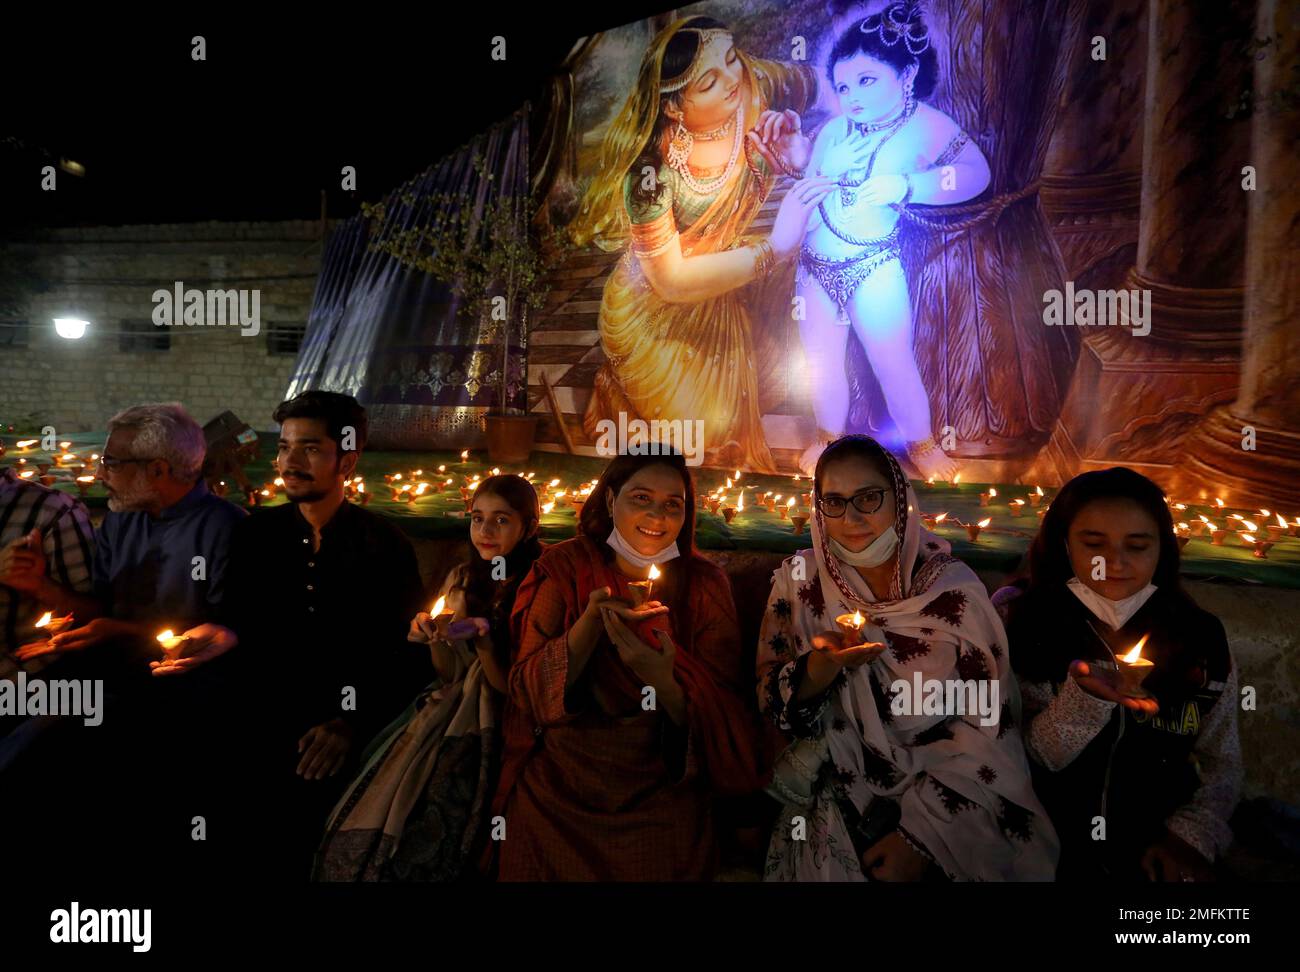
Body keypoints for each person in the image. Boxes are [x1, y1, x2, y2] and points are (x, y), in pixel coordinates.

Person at [757, 434, 1058, 881]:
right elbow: (768, 706)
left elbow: (989, 728)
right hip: (833, 803)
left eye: (868, 498)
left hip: (946, 802)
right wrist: (820, 669)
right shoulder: (799, 583)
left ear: (900, 499)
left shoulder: (953, 594)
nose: (851, 518)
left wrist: (920, 836)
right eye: (834, 502)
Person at [569, 14, 832, 473]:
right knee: (704, 433)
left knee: (779, 358)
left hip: (727, 278)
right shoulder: (650, 175)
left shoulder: (751, 85)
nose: (731, 79)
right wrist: (773, 249)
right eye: (708, 82)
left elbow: (820, 84)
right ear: (674, 107)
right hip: (655, 308)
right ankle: (619, 389)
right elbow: (670, 281)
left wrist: (801, 156)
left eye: (731, 59)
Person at [491, 450, 763, 880]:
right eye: (641, 498)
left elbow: (723, 713)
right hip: (561, 786)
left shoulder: (704, 586)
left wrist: (663, 682)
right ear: (610, 499)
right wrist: (587, 627)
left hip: (661, 787)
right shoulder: (564, 568)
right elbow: (526, 695)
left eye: (673, 504)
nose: (657, 515)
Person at [2, 403, 246, 876]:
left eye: (111, 462)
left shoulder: (226, 529)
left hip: (178, 687)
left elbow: (222, 637)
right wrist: (40, 588)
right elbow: (100, 610)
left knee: (51, 729)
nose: (100, 474)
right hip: (108, 667)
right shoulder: (122, 519)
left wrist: (119, 632)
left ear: (158, 469)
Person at [220, 391, 430, 880]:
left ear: (347, 460)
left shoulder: (384, 546)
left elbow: (406, 654)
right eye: (284, 447)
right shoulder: (254, 536)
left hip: (347, 736)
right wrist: (215, 637)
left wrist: (350, 723)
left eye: (310, 448)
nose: (290, 462)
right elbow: (238, 628)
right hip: (257, 729)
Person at [996, 467, 1242, 881]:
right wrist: (1084, 702)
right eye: (1094, 544)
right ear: (1064, 544)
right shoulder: (1018, 620)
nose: (1115, 563)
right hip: (1039, 844)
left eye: (1138, 545)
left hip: (1151, 849)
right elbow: (1017, 756)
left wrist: (1191, 836)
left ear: (1162, 549)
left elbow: (1225, 762)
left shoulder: (1200, 638)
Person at [794, 3, 991, 480]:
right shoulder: (834, 131)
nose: (852, 97)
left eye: (866, 80)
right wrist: (819, 168)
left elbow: (976, 173)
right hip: (815, 264)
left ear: (906, 75)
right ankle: (826, 439)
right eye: (843, 87)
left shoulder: (927, 125)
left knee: (893, 362)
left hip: (874, 263)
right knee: (821, 362)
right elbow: (808, 199)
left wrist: (905, 185)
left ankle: (922, 445)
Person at [315, 474, 542, 881]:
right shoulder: (462, 579)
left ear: (529, 527)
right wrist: (435, 637)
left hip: (504, 713)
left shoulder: (535, 584)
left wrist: (485, 643)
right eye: (477, 518)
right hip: (454, 699)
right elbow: (448, 675)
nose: (486, 531)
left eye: (502, 520)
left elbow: (510, 690)